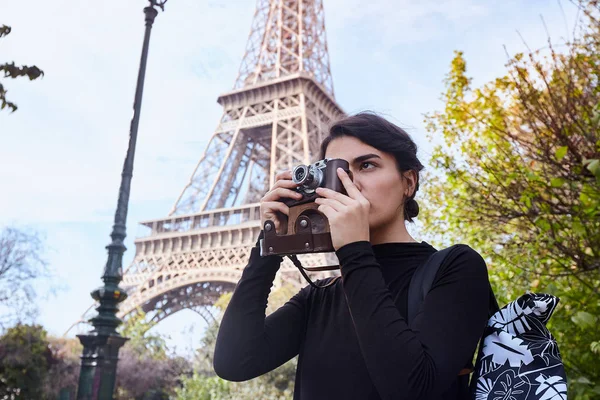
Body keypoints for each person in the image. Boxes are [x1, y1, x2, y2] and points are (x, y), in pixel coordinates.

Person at [213, 112, 491, 400]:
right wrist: (270, 244)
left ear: (408, 182)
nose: (348, 183)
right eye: (337, 171)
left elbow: (412, 388)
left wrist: (354, 249)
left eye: (367, 165)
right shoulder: (322, 295)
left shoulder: (456, 267)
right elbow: (234, 362)